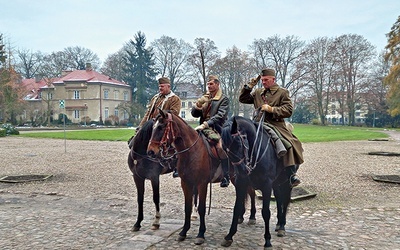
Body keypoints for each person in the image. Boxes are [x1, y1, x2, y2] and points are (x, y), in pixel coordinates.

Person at [239, 68, 304, 187]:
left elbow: (289, 110)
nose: (263, 82)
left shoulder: (282, 92)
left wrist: (272, 109)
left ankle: (291, 174)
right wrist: (249, 86)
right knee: (240, 141)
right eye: (262, 80)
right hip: (257, 123)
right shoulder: (258, 92)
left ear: (273, 79)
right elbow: (243, 99)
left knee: (289, 143)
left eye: (266, 80)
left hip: (275, 124)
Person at [129, 77, 181, 177]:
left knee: (175, 145)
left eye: (162, 86)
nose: (160, 88)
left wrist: (159, 119)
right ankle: (137, 164)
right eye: (159, 86)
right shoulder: (155, 98)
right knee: (134, 143)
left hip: (165, 126)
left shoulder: (175, 99)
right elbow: (148, 113)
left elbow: (174, 114)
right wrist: (141, 126)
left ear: (168, 86)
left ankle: (177, 166)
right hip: (150, 126)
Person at [191, 75, 230, 187]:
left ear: (217, 84)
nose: (209, 86)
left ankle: (226, 175)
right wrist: (198, 105)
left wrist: (206, 124)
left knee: (220, 147)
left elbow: (220, 116)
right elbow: (195, 114)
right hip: (202, 127)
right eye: (208, 84)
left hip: (217, 127)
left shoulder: (223, 99)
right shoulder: (206, 97)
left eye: (211, 84)